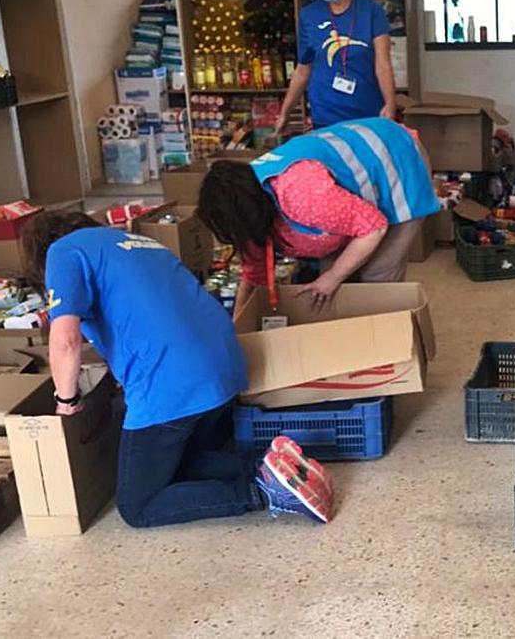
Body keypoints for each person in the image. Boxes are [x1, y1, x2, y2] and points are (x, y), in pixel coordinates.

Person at [22, 212, 334, 527]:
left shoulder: (62, 251)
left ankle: (263, 492)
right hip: (225, 366)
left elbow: (65, 341)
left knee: (138, 505)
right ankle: (269, 466)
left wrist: (67, 402)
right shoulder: (136, 242)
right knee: (176, 465)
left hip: (174, 383)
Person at [197, 116, 439, 315]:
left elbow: (373, 227)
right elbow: (255, 275)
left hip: (396, 160)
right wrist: (239, 330)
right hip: (345, 195)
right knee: (327, 288)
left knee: (376, 279)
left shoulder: (301, 194)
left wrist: (334, 277)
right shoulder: (250, 201)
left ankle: (391, 350)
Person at [277, 0, 396, 132]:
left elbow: (383, 64)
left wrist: (390, 104)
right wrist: (285, 113)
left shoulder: (370, 10)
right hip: (325, 115)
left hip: (366, 112)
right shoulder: (309, 14)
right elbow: (303, 69)